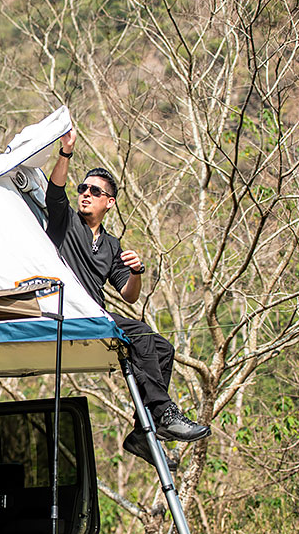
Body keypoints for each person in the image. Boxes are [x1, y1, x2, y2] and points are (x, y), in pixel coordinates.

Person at [45, 128, 210, 469]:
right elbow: (55, 190)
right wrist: (66, 153)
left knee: (163, 348)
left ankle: (140, 433)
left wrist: (136, 270)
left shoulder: (112, 245)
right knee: (143, 335)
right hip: (66, 309)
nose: (86, 194)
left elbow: (129, 295)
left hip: (94, 312)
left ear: (109, 201)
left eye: (95, 191)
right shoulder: (65, 222)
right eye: (83, 189)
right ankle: (165, 413)